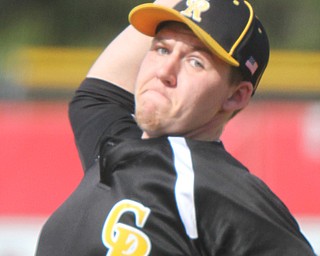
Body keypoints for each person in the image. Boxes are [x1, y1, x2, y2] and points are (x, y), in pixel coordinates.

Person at [35, 0, 316, 255]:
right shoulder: (114, 147)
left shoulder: (218, 189)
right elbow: (98, 94)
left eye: (195, 62)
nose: (164, 71)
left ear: (235, 96)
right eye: (161, 48)